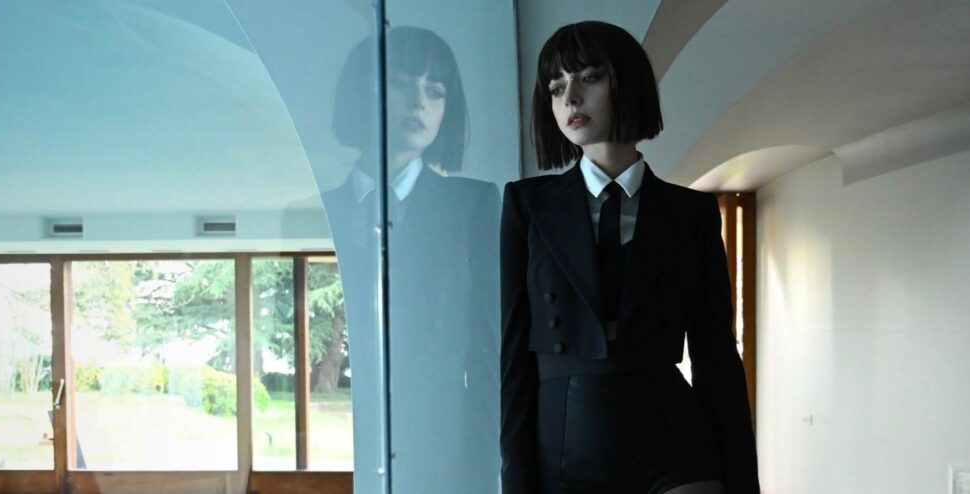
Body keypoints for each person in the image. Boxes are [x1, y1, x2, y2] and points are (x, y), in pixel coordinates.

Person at [500, 21, 760, 494]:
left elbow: (717, 357)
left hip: (677, 448)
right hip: (565, 449)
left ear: (627, 84)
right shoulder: (528, 205)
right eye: (556, 87)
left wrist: (744, 483)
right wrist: (516, 481)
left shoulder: (690, 212)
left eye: (589, 78)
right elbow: (514, 357)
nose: (570, 98)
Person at [322, 26, 500, 493]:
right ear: (365, 91)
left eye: (435, 91)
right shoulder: (323, 210)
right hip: (339, 438)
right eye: (402, 84)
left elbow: (489, 348)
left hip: (447, 448)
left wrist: (487, 467)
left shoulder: (472, 205)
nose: (419, 103)